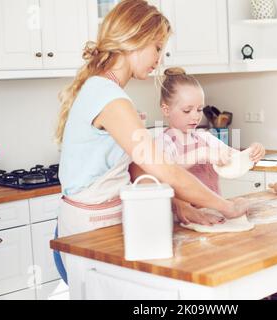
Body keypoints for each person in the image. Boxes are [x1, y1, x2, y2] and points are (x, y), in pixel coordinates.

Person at [52, 0, 249, 284]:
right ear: (135, 38)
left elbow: (133, 168)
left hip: (98, 221)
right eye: (157, 47)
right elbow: (164, 169)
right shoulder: (110, 98)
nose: (160, 57)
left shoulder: (102, 89)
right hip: (92, 228)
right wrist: (226, 207)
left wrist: (180, 206)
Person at [151, 67, 265, 226]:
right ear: (166, 109)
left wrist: (252, 153)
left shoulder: (205, 137)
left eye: (199, 109)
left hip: (214, 214)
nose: (195, 116)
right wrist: (201, 153)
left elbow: (234, 157)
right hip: (182, 221)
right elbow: (166, 171)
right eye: (187, 110)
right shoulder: (163, 142)